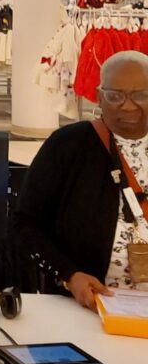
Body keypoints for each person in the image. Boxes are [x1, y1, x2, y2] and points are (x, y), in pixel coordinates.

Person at [14, 50, 148, 310]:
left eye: (141, 95)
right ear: (99, 96)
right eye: (115, 96)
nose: (128, 105)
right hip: (86, 306)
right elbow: (24, 225)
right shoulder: (68, 145)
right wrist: (69, 275)